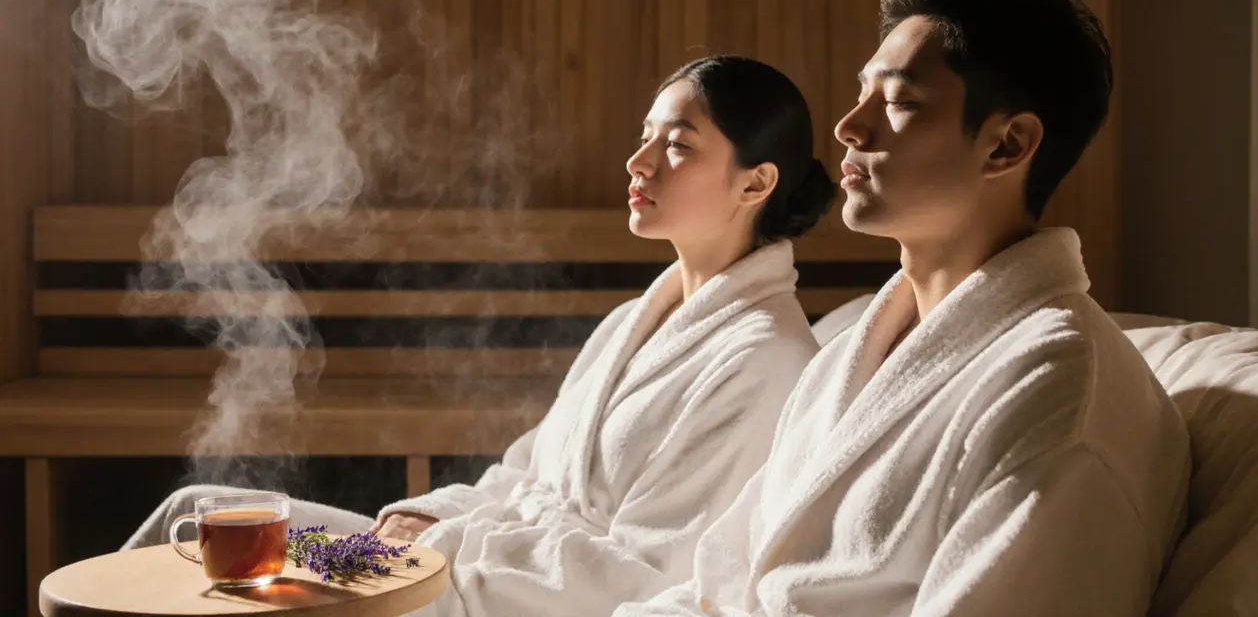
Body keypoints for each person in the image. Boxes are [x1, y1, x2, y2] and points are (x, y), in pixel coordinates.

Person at [125, 55, 838, 616]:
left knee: (230, 569)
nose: (639, 162)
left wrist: (435, 546)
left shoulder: (764, 361)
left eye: (677, 146)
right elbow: (525, 473)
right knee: (193, 517)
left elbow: (644, 575)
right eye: (644, 137)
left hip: (490, 593)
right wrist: (421, 516)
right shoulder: (635, 322)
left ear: (756, 184)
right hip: (448, 559)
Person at [616, 0, 1192, 617]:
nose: (849, 128)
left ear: (1007, 144)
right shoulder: (849, 358)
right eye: (863, 95)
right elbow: (720, 581)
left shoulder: (1059, 393)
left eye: (897, 102)